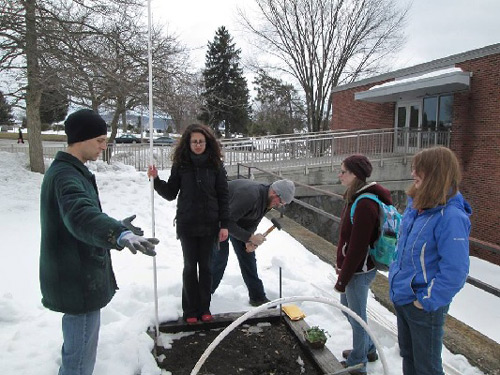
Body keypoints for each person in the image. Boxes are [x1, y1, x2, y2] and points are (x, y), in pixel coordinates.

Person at [39, 108, 159, 375]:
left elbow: (83, 214)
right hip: (76, 279)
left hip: (75, 275)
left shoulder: (70, 171)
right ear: (81, 139)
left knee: (78, 352)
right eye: (100, 140)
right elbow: (80, 215)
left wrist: (118, 226)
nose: (104, 146)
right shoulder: (66, 176)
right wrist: (118, 233)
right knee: (79, 360)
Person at [389, 146, 471, 375]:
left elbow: (455, 270)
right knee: (409, 357)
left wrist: (426, 300)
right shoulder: (417, 208)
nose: (413, 173)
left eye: (419, 169)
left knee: (428, 368)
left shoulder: (451, 217)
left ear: (435, 173)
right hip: (404, 298)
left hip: (423, 306)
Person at [147, 123, 229, 324]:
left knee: (207, 268)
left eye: (201, 141)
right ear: (188, 143)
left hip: (210, 225)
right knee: (190, 268)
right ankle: (190, 310)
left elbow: (223, 195)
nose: (198, 145)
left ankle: (205, 308)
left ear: (207, 142)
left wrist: (224, 224)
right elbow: (170, 193)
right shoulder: (181, 165)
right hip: (187, 224)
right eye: (194, 141)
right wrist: (156, 180)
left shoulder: (215, 165)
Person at [334, 154, 391, 374]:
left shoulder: (365, 203)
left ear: (355, 174)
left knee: (357, 317)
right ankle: (366, 348)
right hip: (353, 270)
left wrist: (343, 278)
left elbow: (358, 248)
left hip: (359, 270)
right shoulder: (356, 197)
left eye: (343, 171)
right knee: (348, 310)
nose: (339, 175)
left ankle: (358, 364)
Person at [211, 178, 295, 306]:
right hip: (214, 216)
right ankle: (203, 295)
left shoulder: (267, 199)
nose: (280, 206)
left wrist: (249, 241)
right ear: (274, 193)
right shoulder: (250, 195)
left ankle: (257, 297)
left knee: (248, 256)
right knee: (220, 257)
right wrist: (249, 237)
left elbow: (253, 220)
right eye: (281, 202)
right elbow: (226, 222)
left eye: (283, 204)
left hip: (234, 217)